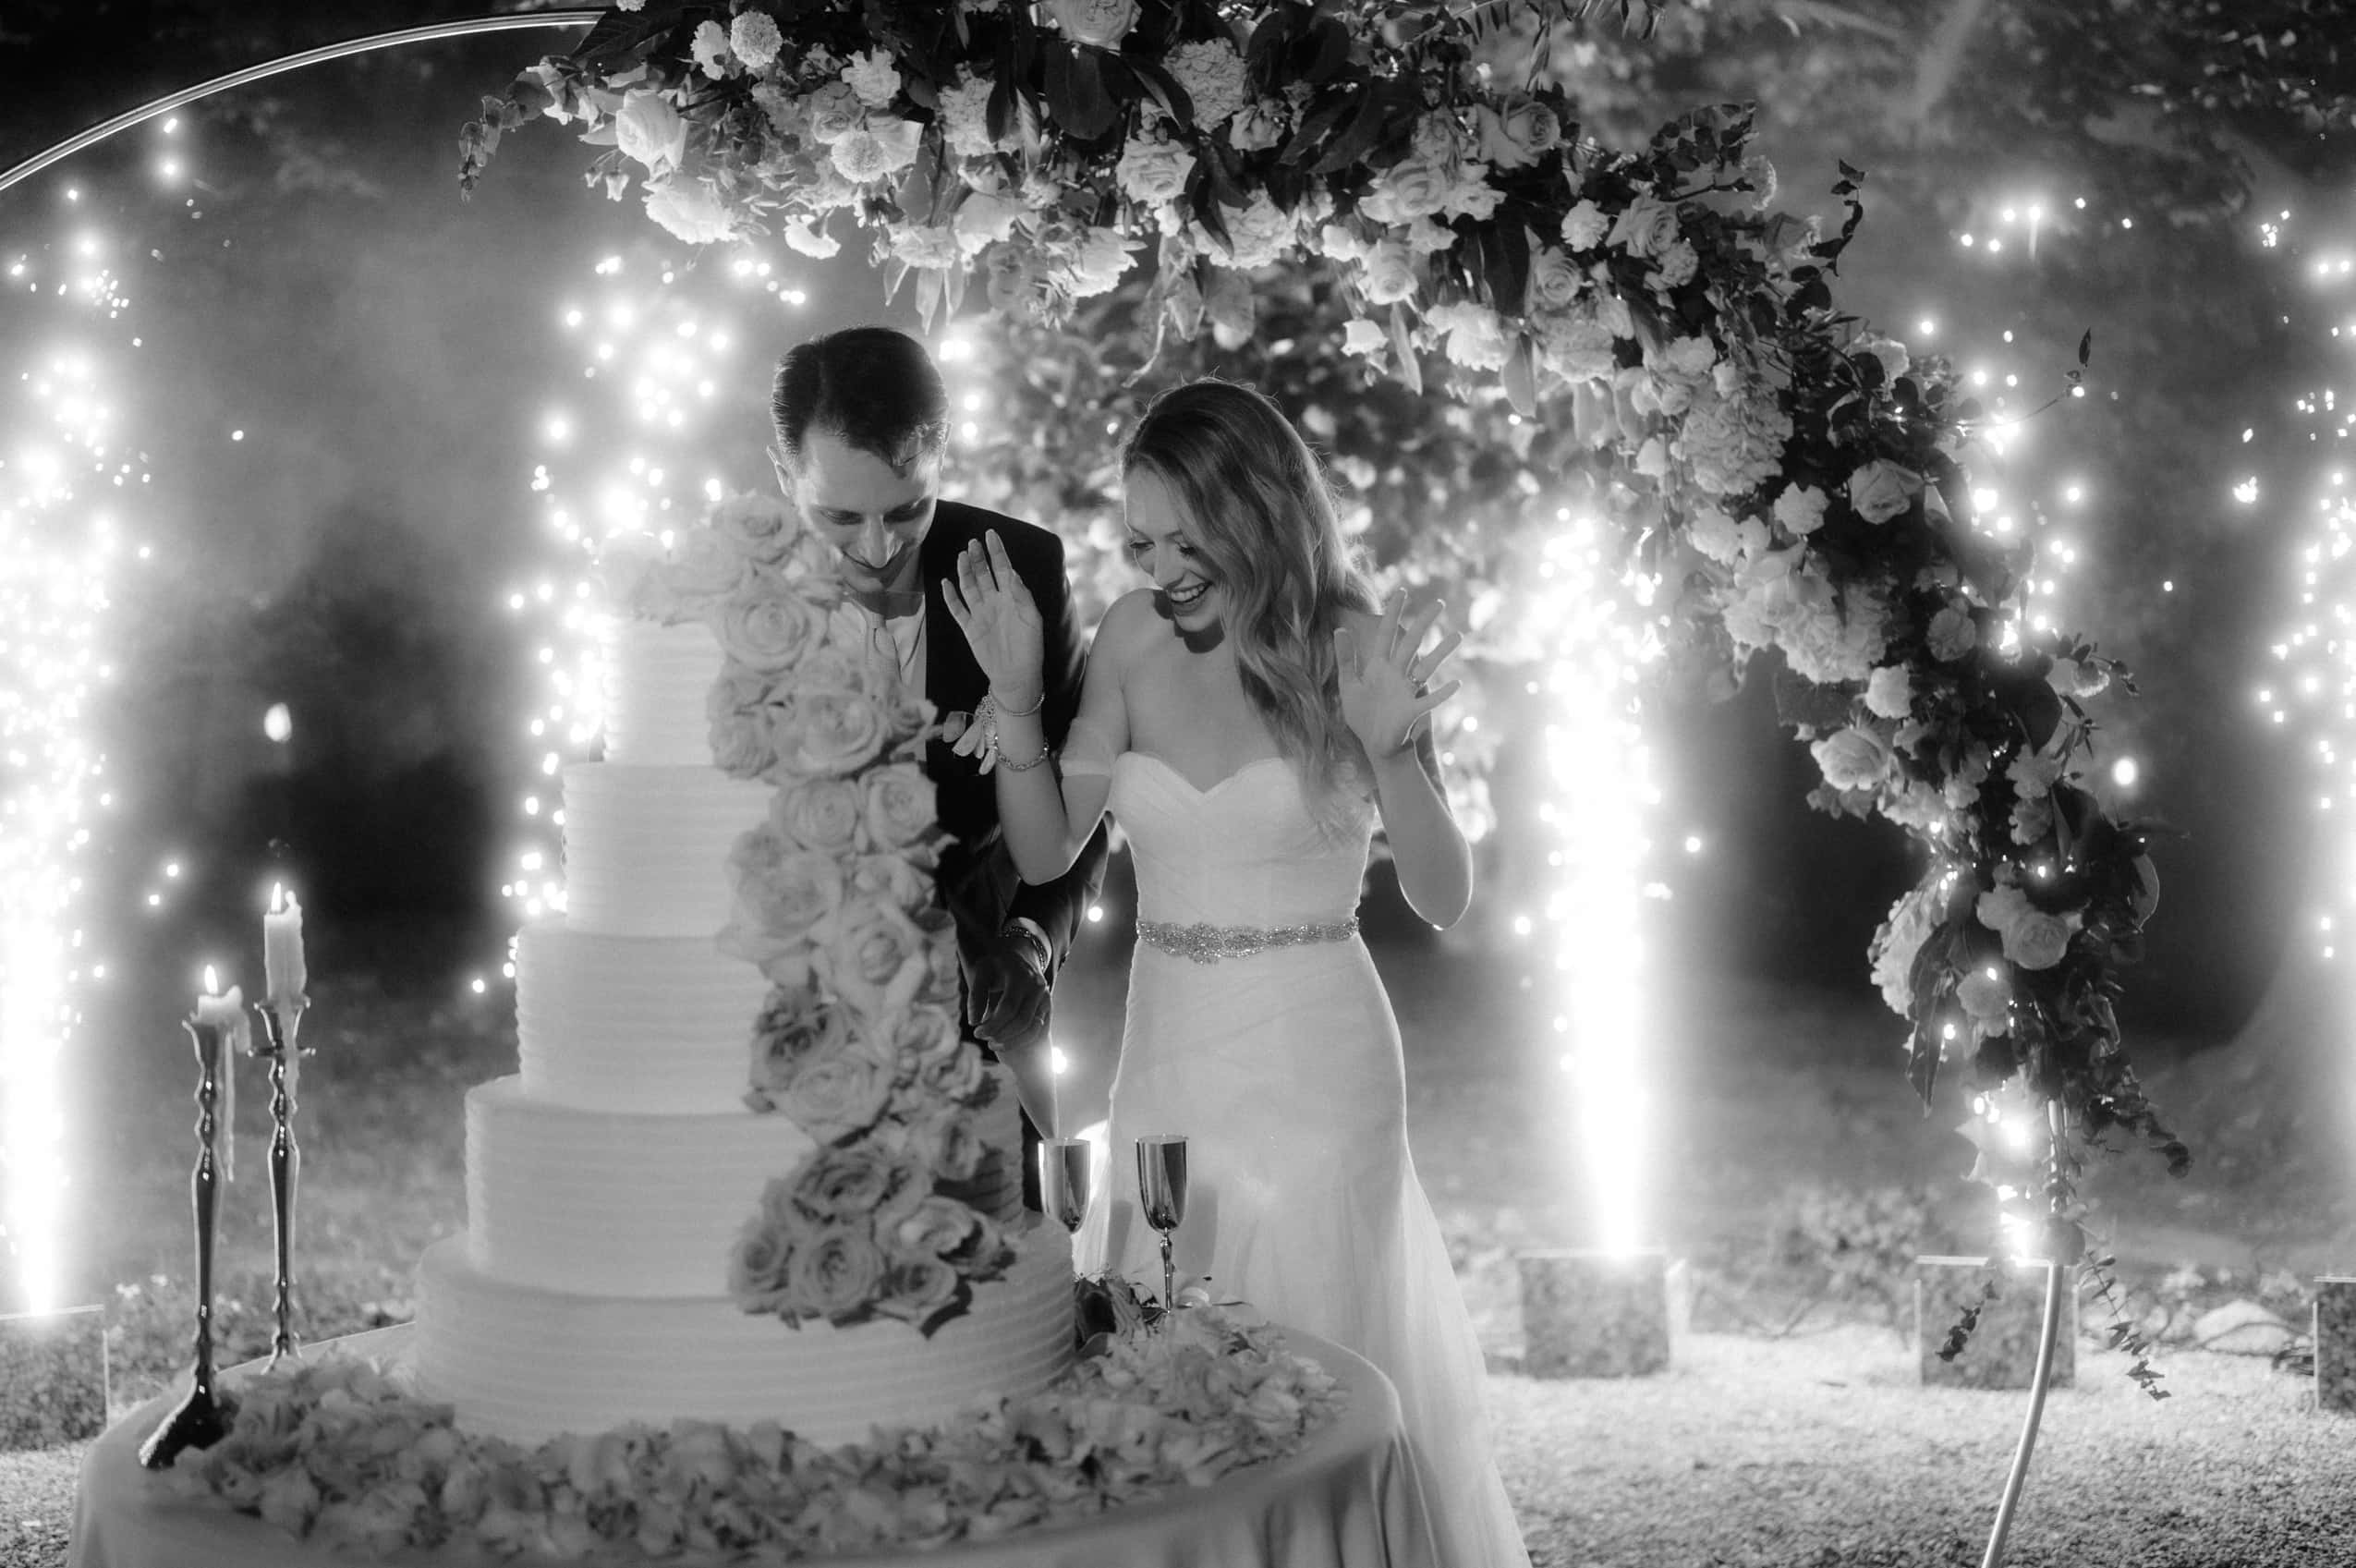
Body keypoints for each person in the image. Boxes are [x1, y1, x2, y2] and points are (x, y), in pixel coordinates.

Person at [944, 378, 1529, 1566]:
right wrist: (1015, 702)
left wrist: (1393, 750)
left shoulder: (1353, 646)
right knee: (1169, 1333)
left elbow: (1445, 893)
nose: (1158, 565)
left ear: (1256, 511)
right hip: (1169, 1043)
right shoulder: (1128, 636)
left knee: (1320, 1341)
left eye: (1181, 537)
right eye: (1139, 538)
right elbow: (1052, 846)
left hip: (1321, 1046)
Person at [769, 325, 1107, 1206]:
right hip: (793, 1030)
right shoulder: (736, 605)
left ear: (943, 459)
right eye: (839, 516)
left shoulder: (1020, 569)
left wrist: (1029, 948)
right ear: (783, 478)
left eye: (907, 509)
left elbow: (1084, 804)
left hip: (983, 1020)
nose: (878, 547)